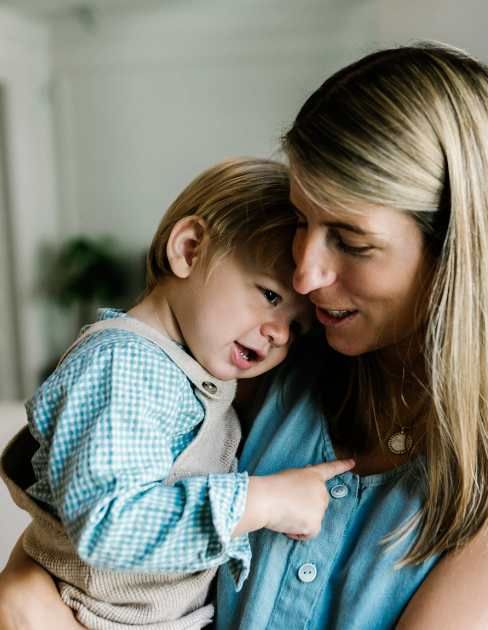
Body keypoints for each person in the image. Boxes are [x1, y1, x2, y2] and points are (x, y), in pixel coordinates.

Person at [0, 43, 488, 630]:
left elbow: (31, 604)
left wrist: (28, 607)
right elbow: (60, 557)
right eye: (302, 220)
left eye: (352, 242)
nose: (305, 276)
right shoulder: (272, 355)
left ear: (456, 252)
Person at [0, 158, 348, 629]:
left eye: (297, 327)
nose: (280, 334)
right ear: (188, 249)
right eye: (269, 296)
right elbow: (107, 524)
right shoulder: (121, 365)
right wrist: (262, 501)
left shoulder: (186, 370)